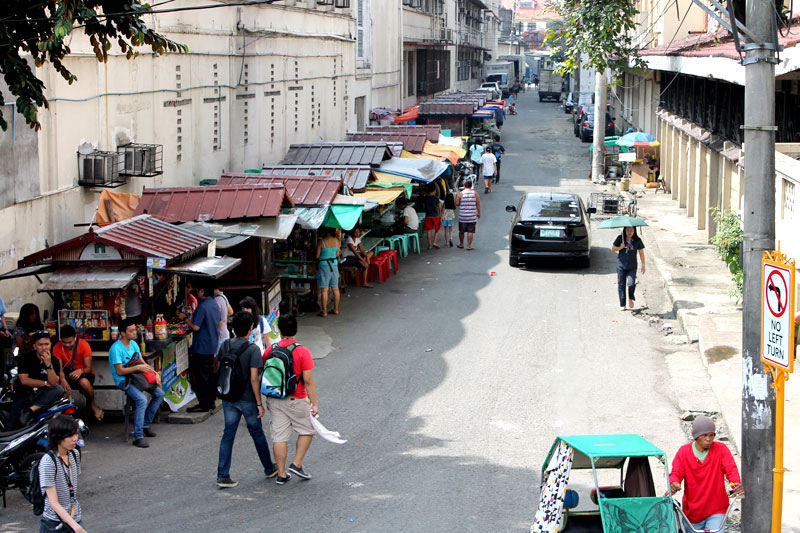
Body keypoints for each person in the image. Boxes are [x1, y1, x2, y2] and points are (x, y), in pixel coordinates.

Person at [216, 311, 277, 488]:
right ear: (250, 329)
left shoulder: (226, 345)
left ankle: (222, 474)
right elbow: (254, 378)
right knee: (257, 433)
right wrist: (259, 403)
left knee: (228, 434)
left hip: (229, 397)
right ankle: (268, 468)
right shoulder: (253, 350)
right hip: (247, 398)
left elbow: (219, 366)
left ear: (233, 328)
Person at [263, 314, 318, 485]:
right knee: (308, 430)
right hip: (297, 398)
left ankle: (281, 474)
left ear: (279, 330)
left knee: (279, 437)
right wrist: (314, 403)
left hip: (275, 398)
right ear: (296, 329)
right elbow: (308, 380)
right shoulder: (302, 351)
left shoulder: (270, 350)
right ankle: (297, 464)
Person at [670, 416, 744, 532]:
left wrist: (736, 484)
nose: (708, 439)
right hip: (693, 512)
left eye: (711, 435)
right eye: (704, 435)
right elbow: (676, 473)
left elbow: (731, 470)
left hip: (717, 508)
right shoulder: (684, 452)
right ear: (696, 436)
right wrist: (674, 483)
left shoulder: (721, 449)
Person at [109, 318, 164, 448]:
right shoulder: (116, 349)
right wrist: (138, 368)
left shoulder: (134, 344)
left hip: (138, 377)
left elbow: (141, 361)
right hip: (124, 380)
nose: (135, 333)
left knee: (159, 394)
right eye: (131, 330)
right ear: (122, 333)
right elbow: (120, 371)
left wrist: (154, 372)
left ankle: (145, 424)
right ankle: (138, 435)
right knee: (141, 400)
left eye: (135, 330)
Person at [178, 281, 221, 413]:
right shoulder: (214, 304)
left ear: (202, 291)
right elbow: (219, 322)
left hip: (202, 345)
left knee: (202, 376)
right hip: (212, 344)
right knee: (210, 374)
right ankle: (211, 402)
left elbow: (196, 326)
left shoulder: (202, 307)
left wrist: (185, 318)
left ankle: (203, 404)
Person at [38, 415, 86, 533]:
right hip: (54, 523)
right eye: (70, 435)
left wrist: (74, 517)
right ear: (58, 437)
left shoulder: (74, 454)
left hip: (74, 517)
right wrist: (75, 526)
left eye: (76, 434)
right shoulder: (48, 461)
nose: (75, 438)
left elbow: (72, 487)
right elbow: (53, 502)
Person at [10, 331, 66, 429]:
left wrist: (48, 365)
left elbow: (54, 383)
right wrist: (44, 383)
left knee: (59, 389)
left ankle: (30, 410)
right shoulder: (26, 357)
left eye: (46, 344)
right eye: (40, 345)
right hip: (25, 393)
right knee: (11, 427)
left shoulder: (54, 360)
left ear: (50, 345)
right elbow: (24, 380)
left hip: (42, 395)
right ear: (35, 346)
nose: (44, 348)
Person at [52, 325, 103, 421]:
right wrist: (62, 379)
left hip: (84, 374)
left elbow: (88, 368)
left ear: (75, 337)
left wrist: (80, 371)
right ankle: (62, 410)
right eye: (64, 342)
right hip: (66, 374)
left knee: (84, 383)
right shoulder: (57, 347)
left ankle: (92, 404)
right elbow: (59, 369)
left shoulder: (84, 345)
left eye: (70, 342)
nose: (67, 345)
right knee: (57, 383)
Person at [611, 226, 646, 310]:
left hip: (632, 266)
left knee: (631, 283)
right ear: (624, 231)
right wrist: (620, 247)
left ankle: (630, 297)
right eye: (627, 230)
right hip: (621, 265)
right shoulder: (620, 238)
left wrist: (643, 265)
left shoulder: (637, 240)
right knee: (621, 285)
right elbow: (613, 248)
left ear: (634, 231)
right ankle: (623, 304)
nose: (629, 232)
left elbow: (641, 252)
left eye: (631, 230)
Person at [315, 228, 341, 318]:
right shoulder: (337, 241)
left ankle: (324, 312)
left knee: (324, 290)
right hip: (334, 265)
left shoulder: (321, 242)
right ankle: (336, 309)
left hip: (324, 266)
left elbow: (317, 256)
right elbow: (337, 254)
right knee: (335, 289)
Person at [456, 178, 481, 251]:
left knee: (461, 231)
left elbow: (457, 204)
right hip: (472, 216)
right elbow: (478, 204)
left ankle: (461, 244)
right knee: (470, 231)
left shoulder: (461, 193)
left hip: (463, 216)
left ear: (464, 185)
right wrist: (479, 213)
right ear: (471, 185)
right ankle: (469, 245)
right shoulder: (475, 193)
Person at [422, 184, 443, 249]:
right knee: (437, 230)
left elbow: (423, 205)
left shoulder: (425, 198)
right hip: (435, 216)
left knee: (429, 230)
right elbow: (439, 206)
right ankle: (435, 242)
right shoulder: (436, 198)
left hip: (428, 216)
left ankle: (430, 245)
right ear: (434, 190)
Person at [213, 287, 234, 352]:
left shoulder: (216, 300)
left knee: (217, 360)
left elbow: (219, 321)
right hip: (225, 333)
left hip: (220, 335)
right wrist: (224, 316)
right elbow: (231, 312)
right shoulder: (223, 297)